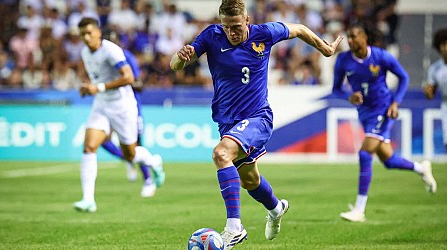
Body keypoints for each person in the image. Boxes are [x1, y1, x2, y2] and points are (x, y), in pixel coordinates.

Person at [170, 0, 343, 248]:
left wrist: (324, 49)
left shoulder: (265, 33)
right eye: (227, 27)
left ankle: (234, 228)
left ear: (247, 20)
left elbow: (300, 29)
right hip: (227, 122)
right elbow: (174, 66)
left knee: (221, 154)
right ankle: (276, 208)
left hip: (257, 118)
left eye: (237, 26)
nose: (232, 32)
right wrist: (180, 57)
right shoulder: (211, 36)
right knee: (249, 181)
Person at [332, 23, 437, 223]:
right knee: (388, 160)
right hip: (364, 113)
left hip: (383, 109)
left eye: (354, 36)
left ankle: (359, 209)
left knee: (365, 153)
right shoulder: (343, 60)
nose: (350, 40)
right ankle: (421, 168)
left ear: (365, 38)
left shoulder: (381, 56)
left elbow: (403, 77)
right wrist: (348, 96)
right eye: (349, 36)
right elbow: (336, 89)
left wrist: (396, 103)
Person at [73, 17, 164, 213]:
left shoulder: (111, 50)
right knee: (89, 146)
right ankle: (88, 199)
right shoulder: (84, 53)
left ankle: (154, 161)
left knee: (130, 154)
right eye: (82, 35)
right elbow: (98, 78)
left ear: (98, 32)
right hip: (101, 104)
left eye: (89, 33)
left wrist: (99, 87)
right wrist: (88, 88)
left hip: (123, 106)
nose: (86, 38)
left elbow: (129, 77)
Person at [100, 29, 165, 198]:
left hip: (129, 106)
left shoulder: (126, 57)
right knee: (101, 139)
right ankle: (130, 159)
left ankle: (148, 179)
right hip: (107, 104)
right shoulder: (99, 59)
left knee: (136, 143)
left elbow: (138, 85)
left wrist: (117, 83)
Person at [423, 28, 447, 151]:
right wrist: (428, 92)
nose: (446, 48)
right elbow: (430, 95)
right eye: (444, 44)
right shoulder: (435, 69)